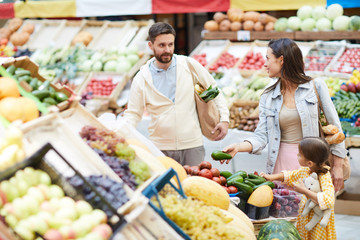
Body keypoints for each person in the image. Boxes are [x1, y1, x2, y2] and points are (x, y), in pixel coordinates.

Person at [221, 38, 347, 192]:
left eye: (268, 58)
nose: (264, 64)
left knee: (309, 211)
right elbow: (261, 136)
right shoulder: (268, 96)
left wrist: (338, 166)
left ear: (281, 60)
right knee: (284, 210)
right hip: (280, 164)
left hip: (311, 163)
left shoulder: (315, 87)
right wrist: (238, 147)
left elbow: (336, 128)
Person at [124, 22, 229, 166]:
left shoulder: (188, 65)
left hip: (193, 145)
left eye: (170, 44)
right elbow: (134, 113)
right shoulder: (142, 77)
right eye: (161, 45)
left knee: (196, 186)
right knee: (168, 188)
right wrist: (123, 132)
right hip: (160, 148)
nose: (167, 50)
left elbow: (215, 90)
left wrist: (224, 119)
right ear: (150, 46)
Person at [260, 137, 336, 240]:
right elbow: (290, 176)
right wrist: (271, 177)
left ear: (310, 163)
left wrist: (304, 191)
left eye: (300, 154)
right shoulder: (306, 170)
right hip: (306, 218)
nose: (297, 155)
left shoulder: (324, 176)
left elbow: (329, 200)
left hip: (318, 222)